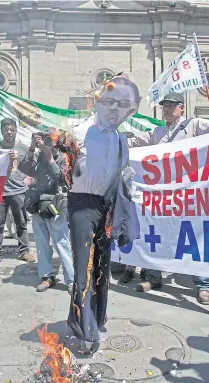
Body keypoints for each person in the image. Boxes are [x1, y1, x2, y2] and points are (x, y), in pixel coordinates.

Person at [122, 92, 209, 305]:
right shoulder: (158, 132)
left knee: (194, 239)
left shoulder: (194, 125)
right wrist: (112, 137)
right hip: (163, 196)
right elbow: (134, 141)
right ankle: (153, 278)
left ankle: (203, 285)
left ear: (181, 107)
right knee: (158, 235)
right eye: (164, 107)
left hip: (190, 195)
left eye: (171, 106)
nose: (167, 110)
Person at [67, 76, 141, 353]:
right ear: (97, 103)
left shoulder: (121, 138)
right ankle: (82, 331)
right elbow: (67, 169)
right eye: (108, 101)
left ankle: (97, 319)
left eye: (122, 104)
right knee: (84, 269)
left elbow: (123, 174)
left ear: (129, 110)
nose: (114, 109)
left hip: (106, 207)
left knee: (102, 268)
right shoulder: (78, 132)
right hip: (82, 207)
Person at [19, 128, 74, 293]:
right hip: (38, 204)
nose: (47, 142)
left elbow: (61, 177)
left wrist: (49, 155)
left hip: (56, 205)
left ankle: (71, 280)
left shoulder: (64, 156)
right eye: (45, 139)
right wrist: (31, 148)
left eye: (50, 139)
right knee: (42, 244)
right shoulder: (37, 155)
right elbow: (24, 168)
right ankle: (47, 276)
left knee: (62, 243)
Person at [0, 118, 36, 266]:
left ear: (16, 130)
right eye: (6, 129)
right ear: (1, 131)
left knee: (21, 223)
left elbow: (32, 166)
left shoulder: (23, 148)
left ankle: (24, 251)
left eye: (12, 129)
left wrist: (29, 182)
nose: (9, 132)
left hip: (19, 191)